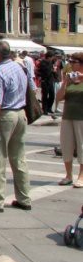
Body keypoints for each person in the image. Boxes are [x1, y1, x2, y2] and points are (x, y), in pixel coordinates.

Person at [0, 40, 31, 213]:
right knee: (19, 158)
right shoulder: (20, 67)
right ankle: (24, 198)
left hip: (5, 116)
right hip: (20, 114)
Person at [55, 52, 83, 187]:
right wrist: (65, 82)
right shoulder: (70, 78)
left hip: (81, 117)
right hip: (68, 116)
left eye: (73, 62)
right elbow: (59, 98)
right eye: (70, 62)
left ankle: (82, 176)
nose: (70, 65)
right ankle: (68, 175)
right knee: (66, 145)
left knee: (82, 145)